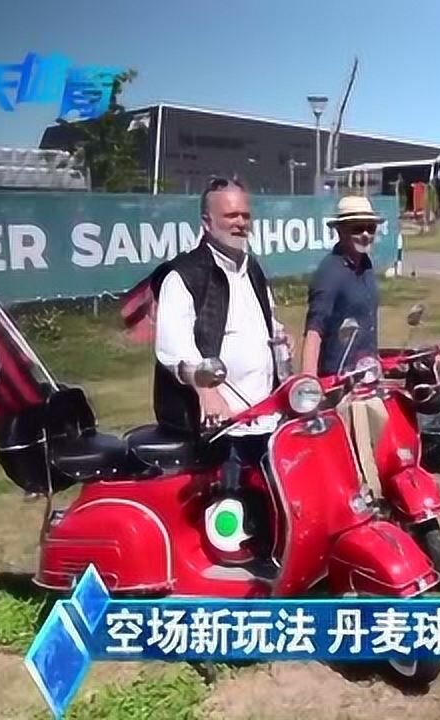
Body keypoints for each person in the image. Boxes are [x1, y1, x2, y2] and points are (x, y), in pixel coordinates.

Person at [152, 177, 287, 555]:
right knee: (230, 503)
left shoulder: (252, 269)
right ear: (207, 222)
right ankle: (231, 570)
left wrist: (279, 337)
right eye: (230, 214)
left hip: (264, 410)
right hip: (219, 417)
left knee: (276, 493)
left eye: (245, 214)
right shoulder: (184, 276)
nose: (240, 222)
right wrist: (207, 392)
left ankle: (275, 557)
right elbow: (173, 348)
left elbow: (266, 322)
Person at [301, 196, 384, 376]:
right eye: (357, 229)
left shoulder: (366, 265)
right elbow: (314, 329)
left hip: (367, 374)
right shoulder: (329, 273)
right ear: (340, 231)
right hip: (338, 379)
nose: (365, 235)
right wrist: (309, 382)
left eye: (371, 228)